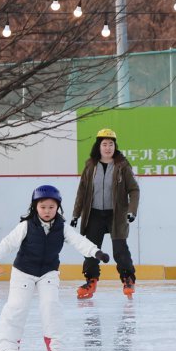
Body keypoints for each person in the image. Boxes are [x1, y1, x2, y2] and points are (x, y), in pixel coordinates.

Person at [0, 183, 106, 351]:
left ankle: (55, 342)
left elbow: (79, 241)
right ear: (35, 207)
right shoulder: (26, 225)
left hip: (48, 272)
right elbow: (8, 242)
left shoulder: (62, 227)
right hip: (23, 272)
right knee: (16, 306)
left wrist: (96, 252)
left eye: (51, 207)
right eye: (42, 207)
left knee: (51, 305)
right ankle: (7, 345)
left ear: (58, 207)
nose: (47, 211)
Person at [70, 127, 141, 298]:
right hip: (94, 214)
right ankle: (91, 280)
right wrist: (76, 214)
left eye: (111, 144)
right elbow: (82, 191)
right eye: (104, 144)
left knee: (120, 250)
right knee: (91, 249)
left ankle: (128, 278)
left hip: (116, 214)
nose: (108, 148)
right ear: (98, 146)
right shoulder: (90, 165)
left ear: (115, 146)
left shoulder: (122, 166)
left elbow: (134, 189)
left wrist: (131, 211)